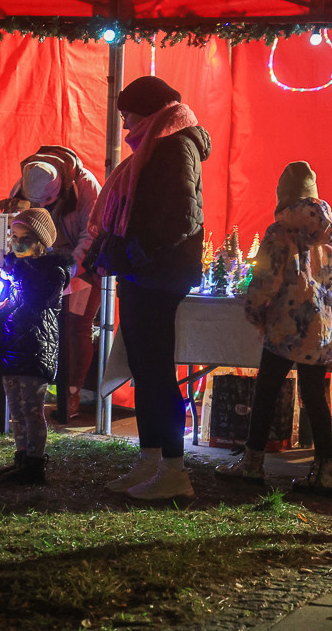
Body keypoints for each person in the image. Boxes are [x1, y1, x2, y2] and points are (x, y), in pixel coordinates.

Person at [84, 76, 209, 500]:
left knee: (156, 373)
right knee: (145, 370)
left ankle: (173, 469)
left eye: (127, 116)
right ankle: (151, 460)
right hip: (145, 274)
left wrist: (131, 253)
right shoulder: (162, 145)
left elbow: (180, 219)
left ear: (148, 112)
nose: (124, 126)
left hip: (158, 275)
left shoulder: (175, 146)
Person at [215, 162, 332, 497]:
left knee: (265, 393)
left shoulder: (280, 234)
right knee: (314, 399)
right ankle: (325, 472)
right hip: (321, 333)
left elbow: (265, 282)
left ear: (283, 197)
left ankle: (251, 465)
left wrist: (254, 314)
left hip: (285, 328)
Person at [0, 208, 69, 484]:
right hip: (9, 351)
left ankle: (35, 464)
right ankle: (21, 457)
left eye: (25, 237)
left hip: (34, 350)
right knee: (16, 411)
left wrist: (14, 275)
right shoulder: (10, 271)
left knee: (31, 410)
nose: (17, 243)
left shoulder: (52, 272)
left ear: (40, 241)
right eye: (13, 236)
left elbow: (37, 299)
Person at [7, 146, 101, 420]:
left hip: (82, 267)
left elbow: (91, 233)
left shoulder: (87, 188)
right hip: (41, 263)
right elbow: (15, 227)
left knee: (76, 324)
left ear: (61, 184)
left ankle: (72, 392)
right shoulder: (24, 185)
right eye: (38, 202)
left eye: (48, 200)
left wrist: (71, 268)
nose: (44, 206)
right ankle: (36, 388)